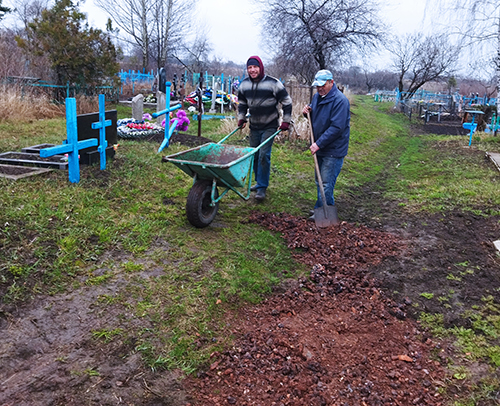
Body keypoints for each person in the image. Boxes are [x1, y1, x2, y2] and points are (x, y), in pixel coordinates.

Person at [237, 56, 292, 201]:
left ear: (260, 67)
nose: (252, 70)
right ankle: (258, 181)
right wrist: (241, 118)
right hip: (254, 125)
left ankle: (262, 187)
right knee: (254, 155)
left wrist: (286, 121)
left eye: (255, 67)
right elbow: (242, 103)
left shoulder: (273, 83)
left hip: (270, 125)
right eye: (249, 67)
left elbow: (287, 101)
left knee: (263, 155)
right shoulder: (244, 85)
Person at [302, 69, 350, 220]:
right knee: (320, 181)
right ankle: (320, 208)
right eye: (317, 86)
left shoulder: (340, 101)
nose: (319, 88)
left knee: (326, 183)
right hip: (320, 146)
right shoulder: (318, 97)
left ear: (331, 82)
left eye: (323, 85)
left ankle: (325, 214)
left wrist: (318, 144)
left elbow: (337, 128)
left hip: (333, 149)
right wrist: (307, 111)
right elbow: (314, 113)